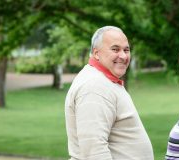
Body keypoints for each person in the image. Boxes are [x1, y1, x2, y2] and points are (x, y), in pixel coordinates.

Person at [65, 26, 154, 160]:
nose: (123, 56)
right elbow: (94, 151)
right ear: (96, 53)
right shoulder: (94, 86)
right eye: (115, 49)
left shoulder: (103, 81)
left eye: (126, 50)